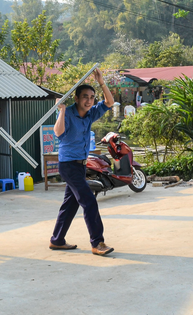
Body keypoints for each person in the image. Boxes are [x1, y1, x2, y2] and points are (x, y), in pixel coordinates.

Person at [50, 69, 115, 256]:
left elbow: (109, 102)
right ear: (76, 98)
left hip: (80, 166)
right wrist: (61, 111)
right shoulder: (68, 112)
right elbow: (58, 133)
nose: (89, 100)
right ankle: (97, 243)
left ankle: (57, 240)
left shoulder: (91, 114)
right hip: (68, 165)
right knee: (89, 201)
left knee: (70, 205)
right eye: (85, 96)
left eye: (92, 97)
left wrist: (101, 82)